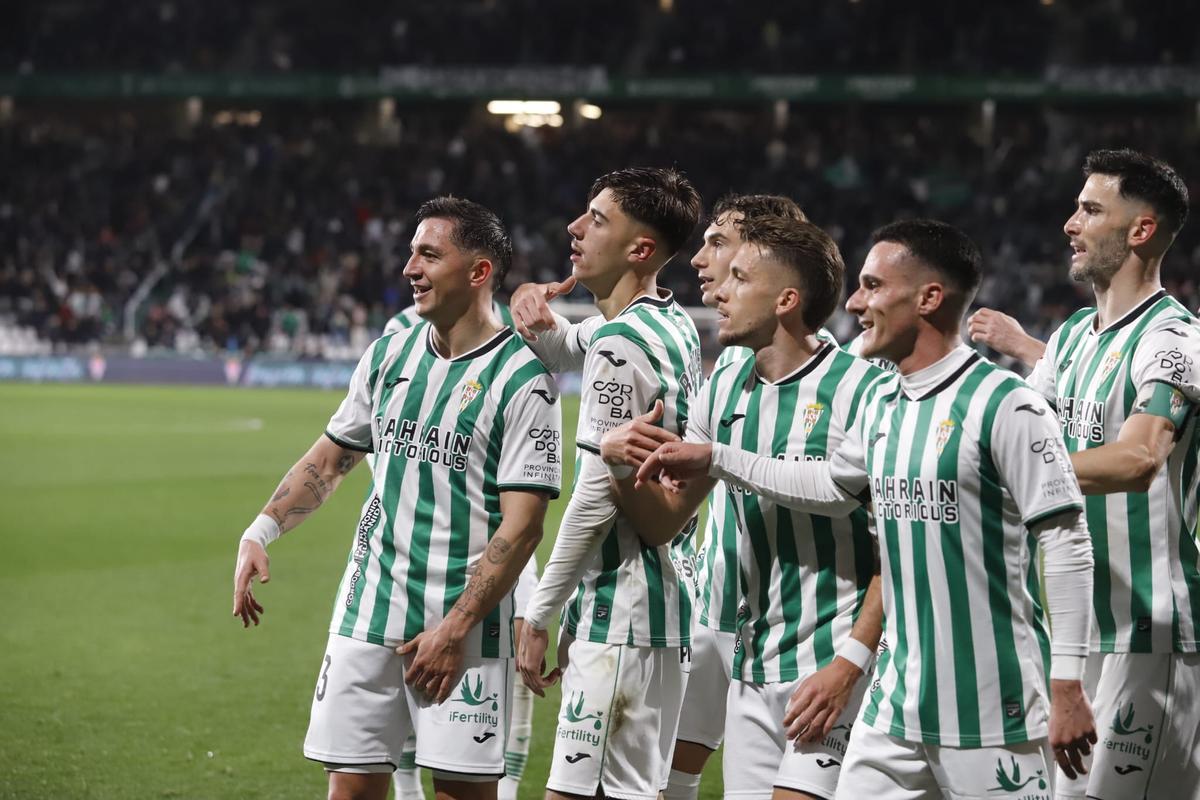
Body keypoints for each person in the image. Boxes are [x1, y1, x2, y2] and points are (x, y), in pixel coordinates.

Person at [638, 219, 1098, 798]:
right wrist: (716, 458)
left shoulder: (1006, 403)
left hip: (991, 703)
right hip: (895, 702)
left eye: (873, 286)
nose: (854, 303)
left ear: (929, 298)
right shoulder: (884, 404)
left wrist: (1068, 683)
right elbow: (830, 485)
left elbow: (1066, 542)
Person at [511, 193, 841, 799]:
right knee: (667, 782)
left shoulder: (851, 385)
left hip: (788, 633)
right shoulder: (713, 360)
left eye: (723, 249)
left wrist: (542, 608)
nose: (700, 261)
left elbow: (848, 497)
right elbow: (665, 507)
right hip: (709, 605)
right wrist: (527, 306)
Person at [231, 197, 562, 800]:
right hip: (368, 609)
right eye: (411, 253)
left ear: (479, 271)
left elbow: (522, 528)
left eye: (429, 255)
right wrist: (262, 529)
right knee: (350, 791)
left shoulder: (524, 380)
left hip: (466, 630)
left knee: (462, 794)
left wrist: (456, 628)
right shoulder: (389, 355)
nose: (410, 268)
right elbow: (329, 460)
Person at [598, 213, 887, 799]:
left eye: (739, 278)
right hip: (753, 667)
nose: (719, 292)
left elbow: (892, 546)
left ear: (786, 300)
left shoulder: (863, 390)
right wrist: (618, 460)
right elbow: (665, 521)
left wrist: (850, 664)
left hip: (835, 660)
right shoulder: (726, 388)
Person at [515, 166, 704, 800]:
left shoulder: (621, 342)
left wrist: (540, 613)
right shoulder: (668, 321)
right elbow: (566, 345)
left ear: (639, 249)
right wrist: (531, 311)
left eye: (596, 220)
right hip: (658, 609)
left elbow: (597, 497)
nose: (575, 227)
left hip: (623, 612)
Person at [1016, 149, 1200, 799]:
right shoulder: (1071, 337)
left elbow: (1139, 458)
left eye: (1091, 210)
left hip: (1149, 634)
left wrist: (1013, 472)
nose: (1071, 223)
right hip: (1074, 633)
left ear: (1141, 229)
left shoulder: (1173, 339)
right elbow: (1017, 432)